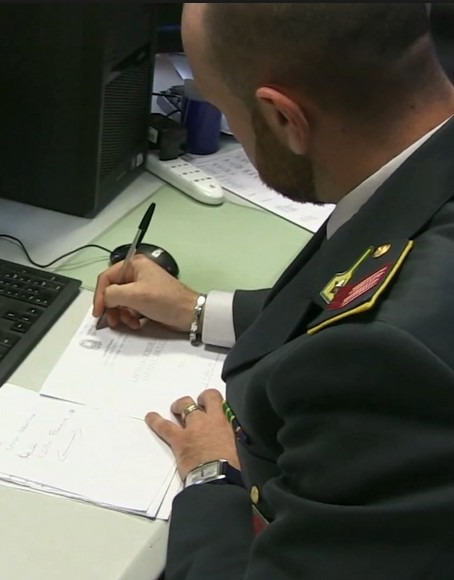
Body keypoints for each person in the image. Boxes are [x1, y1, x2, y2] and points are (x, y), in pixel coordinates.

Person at [92, 3, 454, 578]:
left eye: (224, 108)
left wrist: (212, 474)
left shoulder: (389, 360)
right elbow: (359, 292)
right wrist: (197, 309)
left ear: (284, 118)